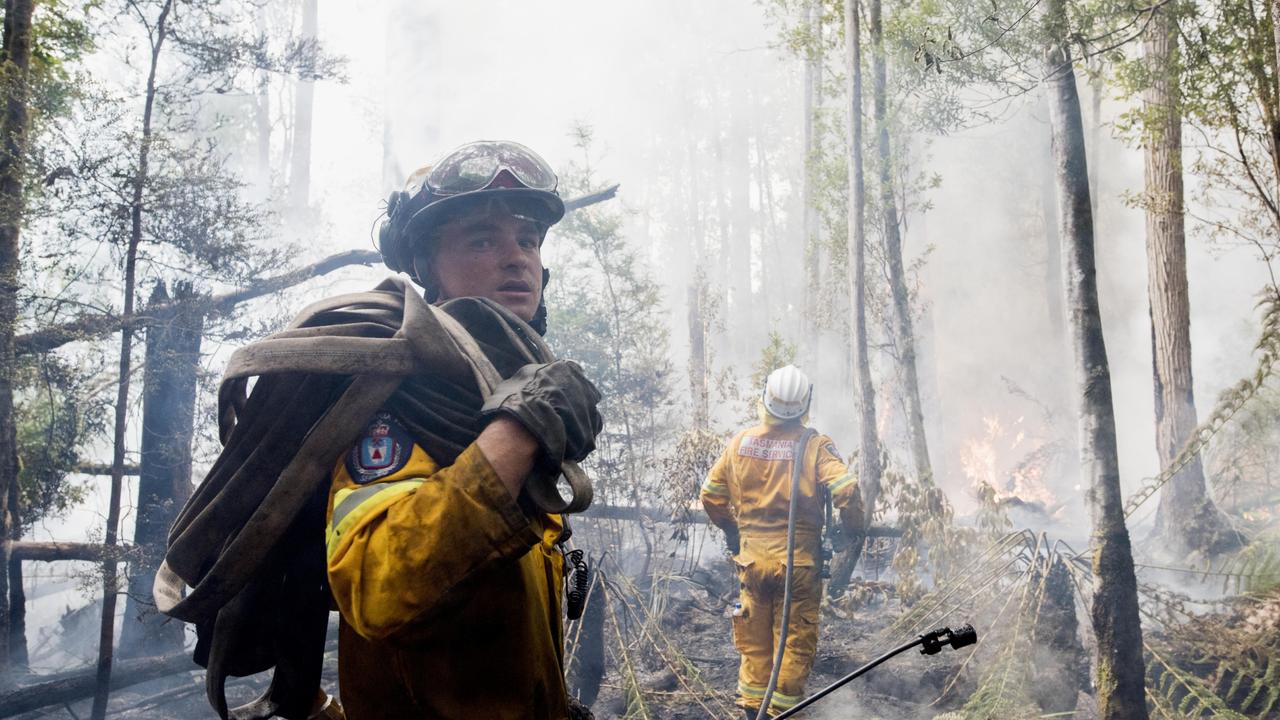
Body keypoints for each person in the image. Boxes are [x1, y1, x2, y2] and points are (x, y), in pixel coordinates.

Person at [156, 141, 602, 720]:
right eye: (482, 240)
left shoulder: (501, 393)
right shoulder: (394, 402)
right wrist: (521, 429)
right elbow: (378, 586)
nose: (517, 258)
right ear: (426, 265)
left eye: (528, 239)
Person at [700, 365, 862, 719]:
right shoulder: (815, 446)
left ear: (765, 399)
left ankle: (752, 713)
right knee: (793, 646)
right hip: (798, 566)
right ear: (806, 403)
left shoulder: (740, 443)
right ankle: (783, 714)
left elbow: (710, 494)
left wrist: (732, 530)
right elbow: (846, 489)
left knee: (755, 646)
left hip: (752, 564)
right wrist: (850, 531)